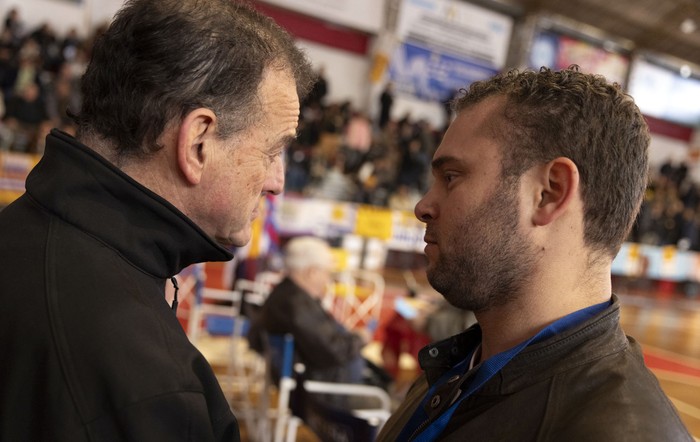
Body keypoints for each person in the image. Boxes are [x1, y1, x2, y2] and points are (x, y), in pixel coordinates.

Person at [0, 1, 314, 440]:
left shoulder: (20, 231)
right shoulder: (155, 388)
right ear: (198, 142)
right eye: (273, 151)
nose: (277, 182)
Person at [377, 67, 693, 441]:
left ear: (549, 193)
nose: (424, 206)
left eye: (451, 177)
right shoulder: (465, 366)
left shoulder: (620, 433)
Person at [249, 236, 374, 385]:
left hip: (312, 381)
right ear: (312, 272)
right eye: (327, 273)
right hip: (322, 389)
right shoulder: (296, 304)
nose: (328, 281)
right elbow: (332, 351)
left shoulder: (286, 295)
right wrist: (360, 338)